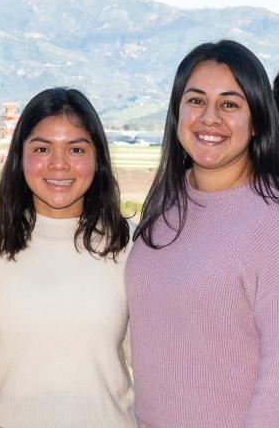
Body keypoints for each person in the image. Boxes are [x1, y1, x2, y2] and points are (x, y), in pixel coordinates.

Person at [126, 39, 279, 427]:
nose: (210, 118)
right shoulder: (166, 201)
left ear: (257, 118)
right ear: (177, 112)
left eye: (230, 104)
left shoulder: (271, 220)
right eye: (196, 101)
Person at [0, 87, 135, 428]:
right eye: (42, 148)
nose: (58, 164)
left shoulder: (131, 243)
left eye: (76, 149)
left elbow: (157, 361)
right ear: (20, 157)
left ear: (98, 159)